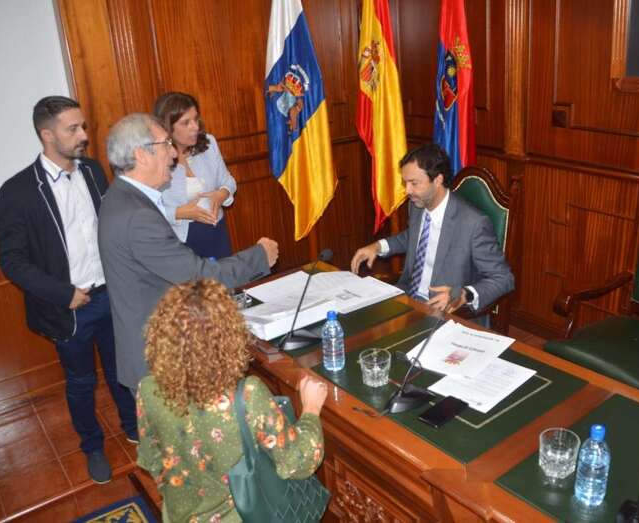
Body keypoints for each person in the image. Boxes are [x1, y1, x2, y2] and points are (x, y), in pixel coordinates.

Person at [0, 96, 137, 484]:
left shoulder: (92, 170)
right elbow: (12, 260)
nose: (84, 136)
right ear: (46, 134)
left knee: (121, 368)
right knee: (81, 382)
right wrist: (63, 293)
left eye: (83, 127)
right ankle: (92, 447)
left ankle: (134, 428)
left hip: (110, 293)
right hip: (70, 307)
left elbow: (110, 226)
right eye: (73, 129)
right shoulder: (18, 191)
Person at [98, 113, 279, 397]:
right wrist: (260, 256)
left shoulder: (122, 197)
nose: (173, 154)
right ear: (141, 155)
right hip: (159, 362)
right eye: (165, 145)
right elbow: (197, 276)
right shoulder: (136, 216)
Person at [136, 279, 328, 522]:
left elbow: (151, 460)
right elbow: (298, 463)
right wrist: (311, 409)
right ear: (229, 336)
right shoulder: (247, 395)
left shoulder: (147, 389)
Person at [350, 143, 514, 324]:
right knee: (358, 322)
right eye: (405, 183)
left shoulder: (473, 223)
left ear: (437, 180)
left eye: (414, 183)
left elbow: (504, 279)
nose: (407, 191)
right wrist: (378, 246)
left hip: (447, 313)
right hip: (408, 299)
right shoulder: (418, 204)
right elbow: (413, 237)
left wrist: (464, 294)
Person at [153, 91, 236, 259]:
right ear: (168, 128)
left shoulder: (209, 143)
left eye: (196, 119)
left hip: (216, 231)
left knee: (225, 282)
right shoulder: (156, 156)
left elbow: (228, 180)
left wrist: (222, 194)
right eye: (186, 123)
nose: (195, 127)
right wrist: (179, 212)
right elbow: (145, 210)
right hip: (179, 240)